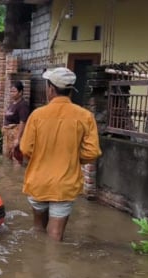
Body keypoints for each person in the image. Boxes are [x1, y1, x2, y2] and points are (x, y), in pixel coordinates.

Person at [19, 67, 102, 242]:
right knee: (55, 234)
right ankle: (54, 267)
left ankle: (35, 265)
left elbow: (26, 149)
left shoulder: (37, 115)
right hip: (65, 184)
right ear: (71, 90)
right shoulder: (85, 116)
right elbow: (92, 152)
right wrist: (72, 159)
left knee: (38, 228)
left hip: (38, 182)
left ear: (50, 88)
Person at [3, 81, 30, 162]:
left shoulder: (23, 105)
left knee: (16, 158)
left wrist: (18, 138)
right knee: (8, 157)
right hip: (9, 135)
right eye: (11, 91)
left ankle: (16, 173)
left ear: (20, 92)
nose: (12, 93)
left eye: (14, 91)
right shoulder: (12, 104)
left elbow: (23, 122)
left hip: (16, 134)